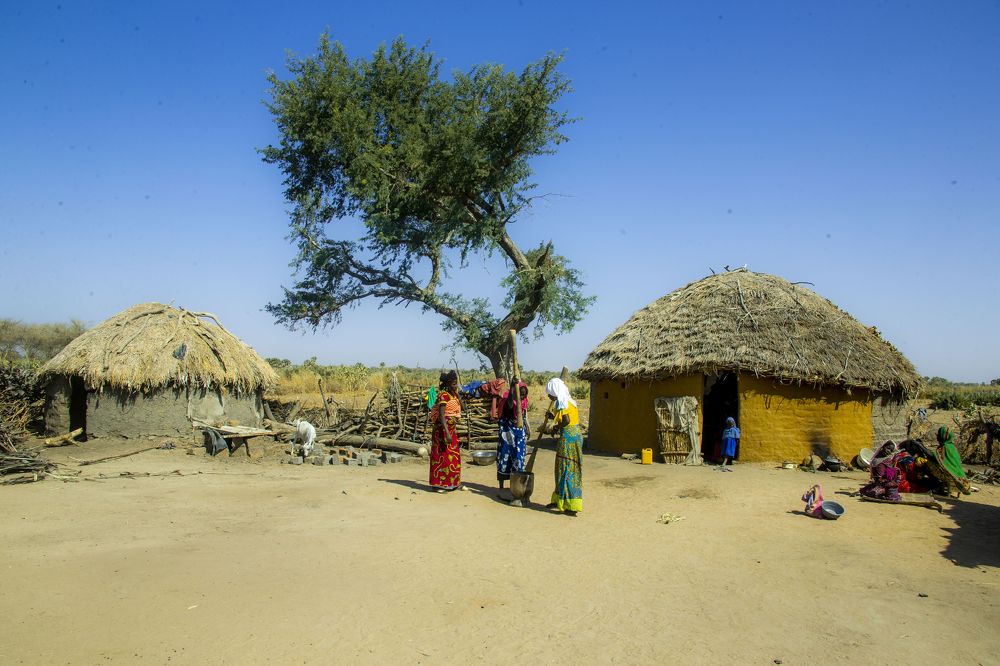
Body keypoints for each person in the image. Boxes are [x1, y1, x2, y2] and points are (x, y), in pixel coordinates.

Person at [541, 377, 583, 515]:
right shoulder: (568, 401)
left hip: (568, 440)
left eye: (550, 394)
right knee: (565, 469)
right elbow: (564, 417)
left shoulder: (561, 401)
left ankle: (570, 505)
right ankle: (559, 499)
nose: (549, 397)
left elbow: (566, 420)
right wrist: (552, 416)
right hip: (575, 437)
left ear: (555, 391)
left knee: (566, 470)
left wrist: (554, 428)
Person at [429, 370, 462, 493]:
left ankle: (452, 483)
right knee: (441, 457)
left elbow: (462, 408)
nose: (455, 386)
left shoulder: (454, 396)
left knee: (454, 457)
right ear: (448, 384)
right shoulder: (443, 396)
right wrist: (447, 433)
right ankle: (437, 485)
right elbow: (442, 415)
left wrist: (459, 396)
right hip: (442, 430)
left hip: (451, 430)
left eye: (456, 383)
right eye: (453, 384)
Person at [496, 381, 529, 489]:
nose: (522, 397)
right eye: (520, 394)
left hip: (519, 432)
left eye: (524, 394)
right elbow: (510, 405)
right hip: (507, 432)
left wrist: (527, 427)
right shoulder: (508, 400)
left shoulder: (524, 401)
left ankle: (516, 485)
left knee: (518, 457)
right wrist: (512, 388)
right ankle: (501, 485)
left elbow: (524, 415)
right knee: (504, 455)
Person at [935, 426, 971, 495]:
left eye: (939, 434)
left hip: (949, 474)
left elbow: (938, 459)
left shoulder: (944, 447)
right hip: (960, 474)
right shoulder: (952, 447)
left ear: (943, 436)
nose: (937, 436)